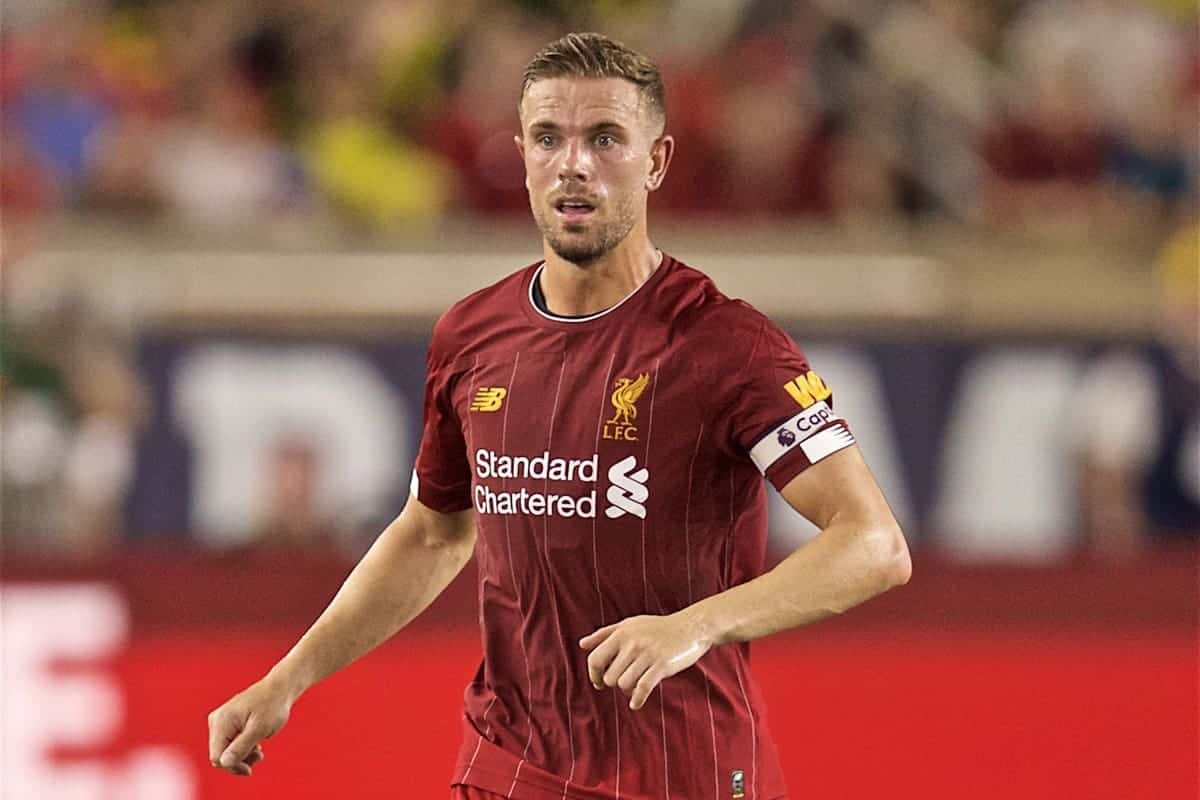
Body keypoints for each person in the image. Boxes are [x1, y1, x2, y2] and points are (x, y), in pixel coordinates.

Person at [207, 32, 911, 799]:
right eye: (549, 138)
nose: (574, 164)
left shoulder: (727, 346)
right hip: (511, 770)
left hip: (684, 776)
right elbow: (433, 530)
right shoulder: (473, 335)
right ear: (522, 155)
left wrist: (693, 626)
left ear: (656, 161)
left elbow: (873, 545)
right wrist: (287, 679)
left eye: (605, 138)